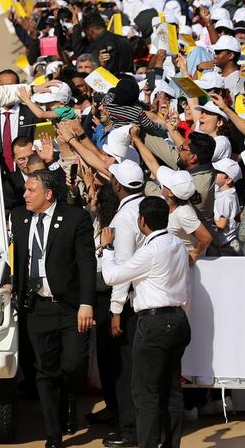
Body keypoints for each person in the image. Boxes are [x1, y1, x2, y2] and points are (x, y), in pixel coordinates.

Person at [2, 169, 97, 448]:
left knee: (72, 365)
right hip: (36, 307)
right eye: (25, 190)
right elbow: (13, 255)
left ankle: (69, 398)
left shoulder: (74, 218)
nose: (24, 195)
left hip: (70, 307)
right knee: (45, 371)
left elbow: (86, 263)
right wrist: (9, 282)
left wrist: (86, 303)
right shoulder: (19, 217)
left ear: (49, 194)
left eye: (31, 190)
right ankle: (53, 435)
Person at [100, 197, 191, 448]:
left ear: (142, 221)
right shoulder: (178, 244)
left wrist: (107, 249)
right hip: (179, 320)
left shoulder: (150, 251)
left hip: (155, 325)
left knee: (146, 393)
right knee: (171, 390)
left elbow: (112, 276)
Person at [98, 161, 145, 448]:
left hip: (127, 304)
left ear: (118, 185)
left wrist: (115, 311)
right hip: (142, 300)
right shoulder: (143, 207)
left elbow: (122, 270)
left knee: (125, 371)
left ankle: (130, 430)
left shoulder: (124, 217)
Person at [0, 69, 41, 173]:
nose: (7, 91)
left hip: (27, 174)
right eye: (2, 87)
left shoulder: (32, 114)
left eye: (11, 87)